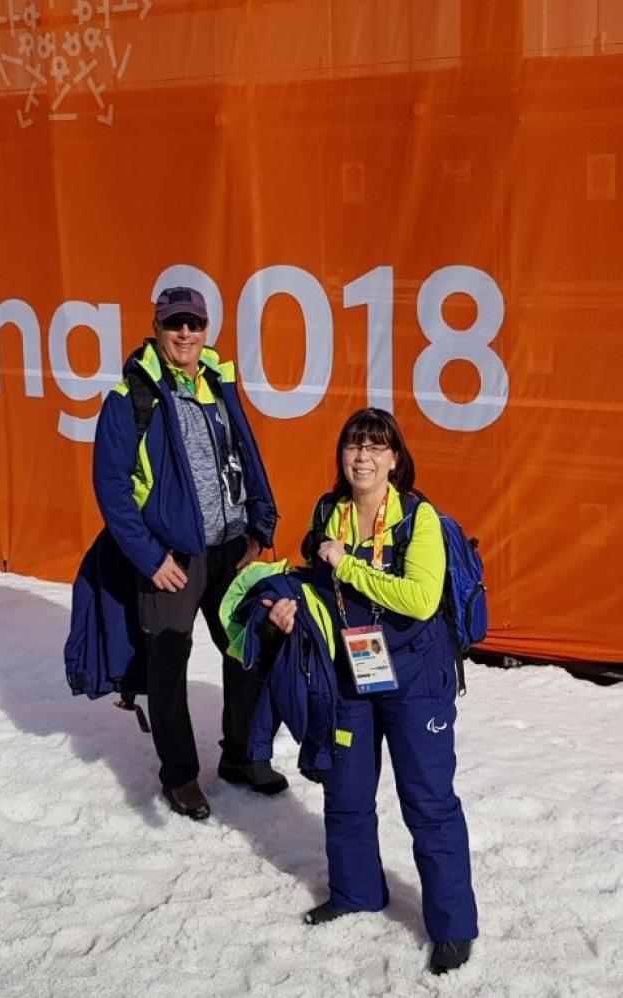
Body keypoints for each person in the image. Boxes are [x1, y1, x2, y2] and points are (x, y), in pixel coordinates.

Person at [262, 408, 478, 975]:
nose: (363, 457)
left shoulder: (420, 518)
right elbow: (315, 581)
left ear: (395, 459)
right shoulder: (328, 511)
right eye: (354, 446)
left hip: (417, 680)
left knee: (429, 803)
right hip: (349, 672)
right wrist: (291, 609)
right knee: (347, 790)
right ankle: (357, 891)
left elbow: (419, 599)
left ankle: (453, 926)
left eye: (376, 447)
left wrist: (347, 562)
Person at [92, 285, 283, 820]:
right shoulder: (131, 395)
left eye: (194, 324)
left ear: (206, 331)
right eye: (175, 323)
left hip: (228, 549)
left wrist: (256, 524)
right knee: (167, 669)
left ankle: (240, 756)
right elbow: (111, 487)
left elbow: (245, 454)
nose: (185, 334)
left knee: (247, 649)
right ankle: (179, 776)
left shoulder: (219, 383)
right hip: (170, 558)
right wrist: (150, 557)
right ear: (157, 326)